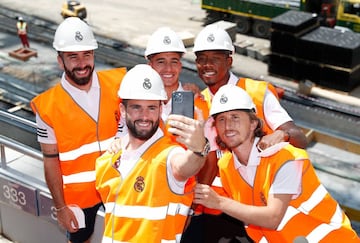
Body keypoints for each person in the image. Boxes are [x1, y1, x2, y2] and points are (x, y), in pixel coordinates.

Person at [181, 24, 308, 243]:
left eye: (215, 58)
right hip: (215, 212)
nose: (207, 65)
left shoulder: (257, 92)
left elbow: (300, 138)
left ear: (229, 60)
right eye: (201, 58)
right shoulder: (199, 101)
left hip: (257, 210)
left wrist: (282, 135)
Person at [194, 84, 359, 243]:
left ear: (253, 123)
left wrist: (219, 202)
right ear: (215, 128)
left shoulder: (284, 157)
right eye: (221, 119)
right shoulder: (227, 166)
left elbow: (273, 217)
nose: (228, 125)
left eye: (235, 117)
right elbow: (202, 194)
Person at [30, 17, 126, 243]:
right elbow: (50, 160)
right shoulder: (47, 107)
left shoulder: (120, 83)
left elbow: (158, 83)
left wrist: (185, 89)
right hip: (80, 200)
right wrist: (61, 207)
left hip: (120, 187)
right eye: (73, 57)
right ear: (60, 61)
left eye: (87, 55)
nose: (82, 63)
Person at [95, 64, 209, 242]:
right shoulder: (107, 161)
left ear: (161, 110)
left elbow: (184, 166)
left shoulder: (169, 154)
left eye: (152, 108)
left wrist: (199, 149)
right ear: (123, 111)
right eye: (136, 107)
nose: (145, 116)